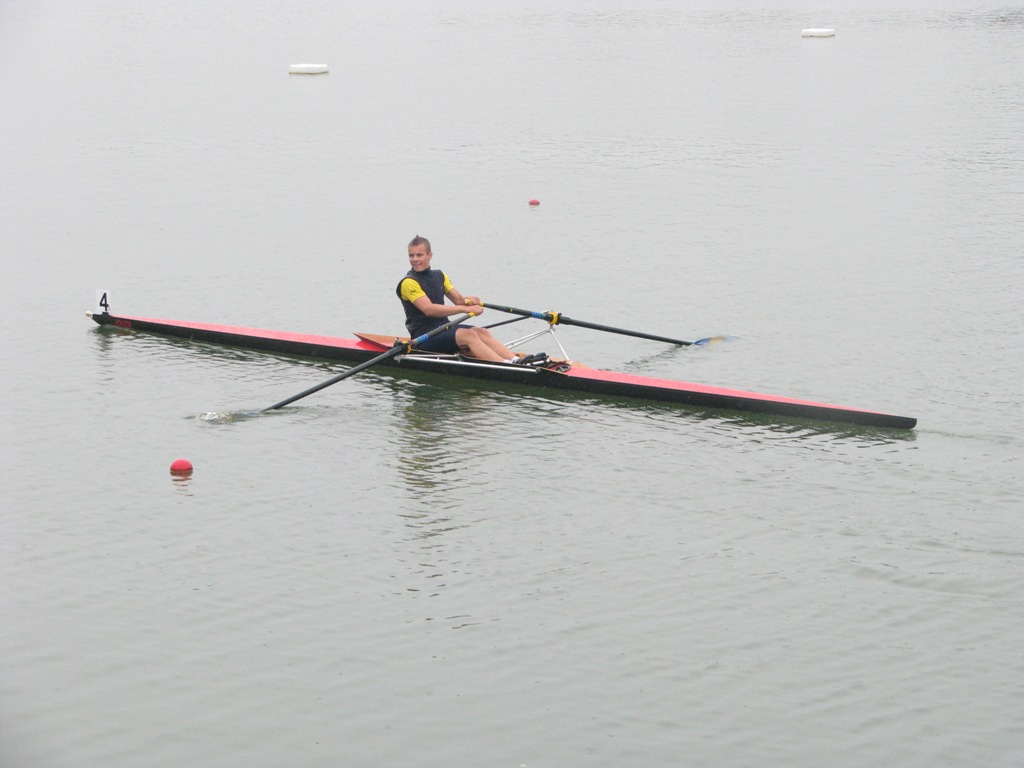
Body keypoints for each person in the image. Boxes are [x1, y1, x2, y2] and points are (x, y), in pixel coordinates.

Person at [397, 235, 540, 363]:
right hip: (424, 337)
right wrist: (465, 309)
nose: (415, 260)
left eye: (419, 255)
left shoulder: (440, 275)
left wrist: (469, 301)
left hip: (443, 328)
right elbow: (429, 310)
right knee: (469, 336)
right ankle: (505, 365)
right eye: (411, 256)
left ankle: (516, 360)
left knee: (482, 332)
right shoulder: (409, 282)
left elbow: (459, 300)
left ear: (430, 255)